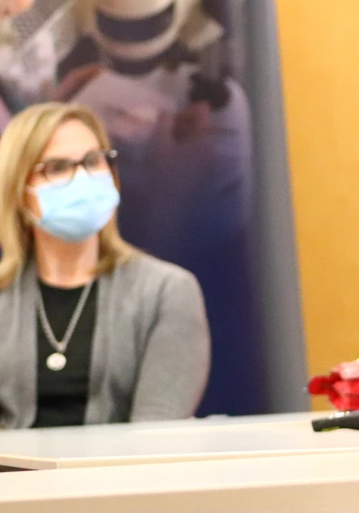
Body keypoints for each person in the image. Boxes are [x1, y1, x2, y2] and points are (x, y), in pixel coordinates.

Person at [0, 103, 209, 428]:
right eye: (57, 167)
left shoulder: (166, 292)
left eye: (93, 161)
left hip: (124, 479)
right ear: (19, 189)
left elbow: (156, 437)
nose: (82, 178)